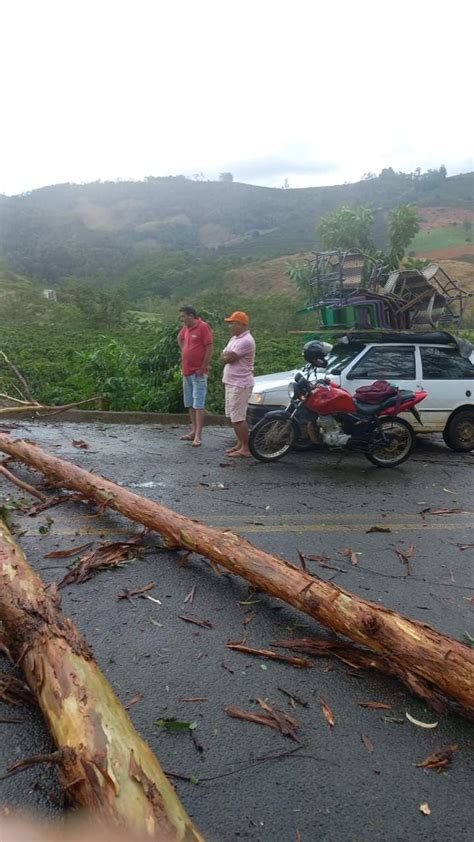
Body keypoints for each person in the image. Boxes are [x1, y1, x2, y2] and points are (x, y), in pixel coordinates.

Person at [220, 311, 256, 458]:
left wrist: (226, 356)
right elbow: (223, 355)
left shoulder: (246, 340)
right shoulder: (235, 339)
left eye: (232, 323)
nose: (230, 326)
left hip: (240, 383)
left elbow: (227, 358)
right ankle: (240, 443)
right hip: (231, 382)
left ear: (241, 324)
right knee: (233, 416)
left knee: (239, 417)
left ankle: (246, 448)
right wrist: (226, 355)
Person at [177, 305, 213, 447]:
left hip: (199, 372)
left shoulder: (203, 327)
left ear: (191, 315)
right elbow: (179, 338)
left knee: (199, 403)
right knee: (190, 403)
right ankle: (193, 431)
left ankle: (198, 435)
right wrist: (185, 350)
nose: (182, 319)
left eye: (183, 316)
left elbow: (210, 347)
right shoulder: (185, 328)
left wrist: (203, 366)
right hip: (186, 371)